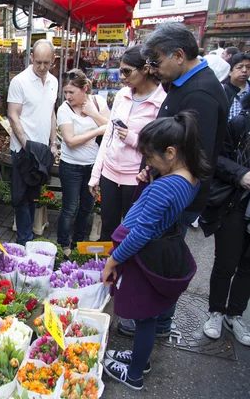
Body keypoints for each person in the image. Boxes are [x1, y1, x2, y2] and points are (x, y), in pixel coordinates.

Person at [117, 22, 230, 338]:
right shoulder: (183, 84)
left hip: (175, 201)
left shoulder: (202, 93)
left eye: (156, 62)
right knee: (157, 254)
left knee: (159, 260)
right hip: (164, 187)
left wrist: (160, 182)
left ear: (179, 55)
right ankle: (153, 321)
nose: (152, 70)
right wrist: (151, 168)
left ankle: (153, 323)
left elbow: (196, 157)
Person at [102, 111, 207, 391]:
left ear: (171, 152)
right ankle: (140, 357)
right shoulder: (189, 177)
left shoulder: (167, 186)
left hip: (143, 253)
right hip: (162, 248)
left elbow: (140, 233)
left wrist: (113, 260)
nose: (147, 161)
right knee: (148, 314)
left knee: (144, 316)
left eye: (150, 156)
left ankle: (134, 373)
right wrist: (151, 179)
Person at [89, 45, 166, 242]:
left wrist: (133, 139)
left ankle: (126, 270)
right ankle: (105, 269)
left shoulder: (161, 100)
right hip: (109, 173)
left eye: (126, 71)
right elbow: (108, 136)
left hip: (136, 177)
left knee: (131, 231)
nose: (122, 76)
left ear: (146, 69)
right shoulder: (122, 95)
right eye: (120, 71)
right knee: (108, 228)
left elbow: (161, 146)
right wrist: (96, 173)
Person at [201, 94, 250, 346]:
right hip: (236, 203)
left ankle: (236, 314)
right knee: (226, 262)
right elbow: (216, 158)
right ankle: (216, 311)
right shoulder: (239, 125)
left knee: (248, 266)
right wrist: (241, 174)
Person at [7, 39, 59, 245]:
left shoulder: (53, 81)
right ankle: (25, 239)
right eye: (38, 62)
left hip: (43, 151)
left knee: (33, 196)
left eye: (46, 62)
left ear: (53, 60)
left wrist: (53, 143)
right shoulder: (19, 82)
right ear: (31, 58)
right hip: (23, 150)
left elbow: (51, 113)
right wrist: (27, 145)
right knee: (20, 197)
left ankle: (26, 237)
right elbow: (13, 115)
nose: (42, 67)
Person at [56, 69, 110, 256]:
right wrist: (96, 131)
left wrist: (94, 114)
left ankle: (78, 241)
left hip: (94, 167)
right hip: (71, 166)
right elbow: (70, 141)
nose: (67, 96)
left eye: (71, 92)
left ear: (84, 88)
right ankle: (63, 244)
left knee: (87, 207)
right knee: (69, 207)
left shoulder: (98, 102)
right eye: (65, 92)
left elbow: (111, 127)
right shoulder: (64, 109)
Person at [223, 53, 250, 120]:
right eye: (239, 67)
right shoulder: (222, 91)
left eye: (248, 67)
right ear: (230, 71)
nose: (244, 70)